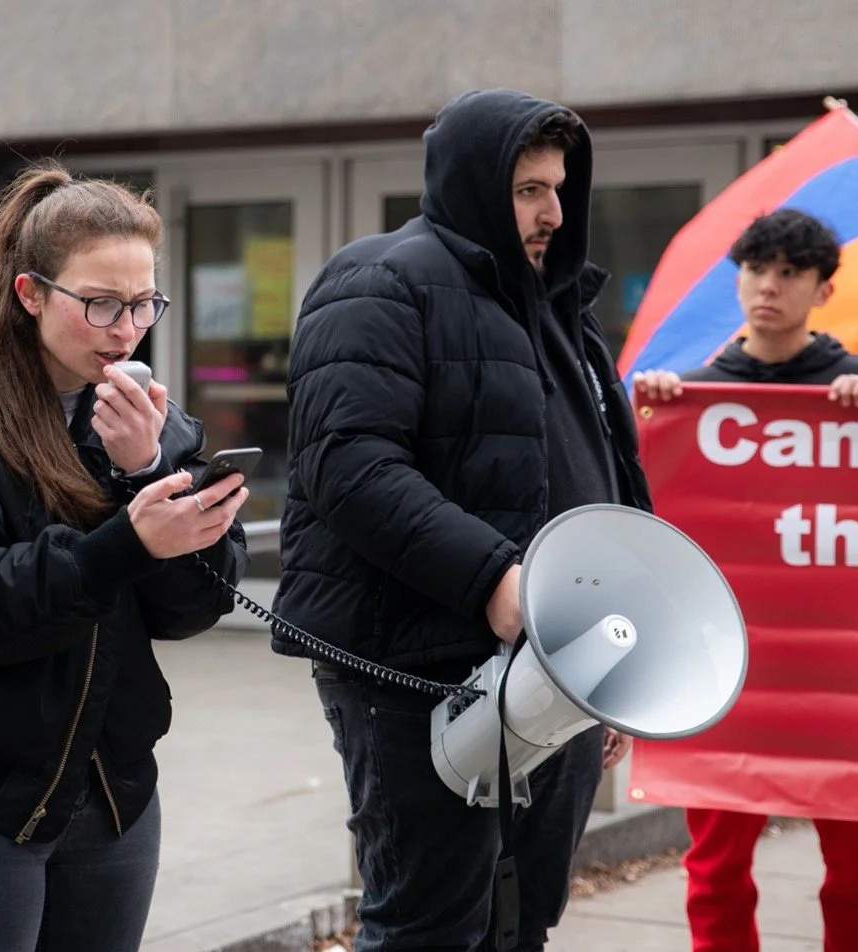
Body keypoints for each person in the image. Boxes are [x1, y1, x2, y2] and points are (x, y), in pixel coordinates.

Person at [272, 89, 652, 951]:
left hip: (557, 672)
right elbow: (349, 465)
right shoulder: (381, 279)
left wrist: (623, 659)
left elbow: (613, 482)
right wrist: (492, 577)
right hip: (414, 669)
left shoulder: (563, 313)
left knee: (525, 916)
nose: (552, 212)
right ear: (472, 182)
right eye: (527, 189)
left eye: (559, 188)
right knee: (430, 926)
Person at [0, 161, 250, 952]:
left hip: (110, 786)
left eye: (143, 304)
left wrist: (145, 471)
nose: (126, 328)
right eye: (100, 302)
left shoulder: (155, 424)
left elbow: (194, 606)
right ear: (31, 294)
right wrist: (124, 539)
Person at [634, 207, 858, 952]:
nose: (769, 286)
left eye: (790, 273)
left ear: (823, 291)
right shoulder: (687, 395)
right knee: (717, 867)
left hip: (841, 668)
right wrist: (659, 417)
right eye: (757, 269)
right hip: (724, 666)